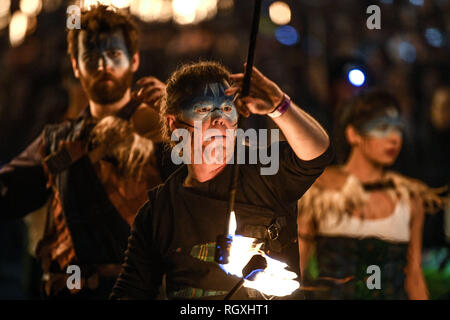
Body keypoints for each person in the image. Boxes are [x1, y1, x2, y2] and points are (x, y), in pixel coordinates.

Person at [110, 61, 333, 300]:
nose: (219, 119)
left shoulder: (266, 173)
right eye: (204, 109)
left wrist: (279, 105)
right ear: (174, 124)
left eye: (227, 109)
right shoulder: (159, 211)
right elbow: (131, 291)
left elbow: (317, 155)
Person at [0, 5, 168, 299]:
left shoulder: (166, 129)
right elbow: (6, 192)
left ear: (134, 60)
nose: (103, 64)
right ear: (76, 66)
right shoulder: (56, 141)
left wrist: (183, 126)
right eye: (91, 57)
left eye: (114, 55)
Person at [297, 90, 446, 299]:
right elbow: (298, 265)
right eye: (383, 128)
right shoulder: (320, 191)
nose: (394, 138)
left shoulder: (408, 198)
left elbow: (414, 275)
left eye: (397, 129)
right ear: (353, 134)